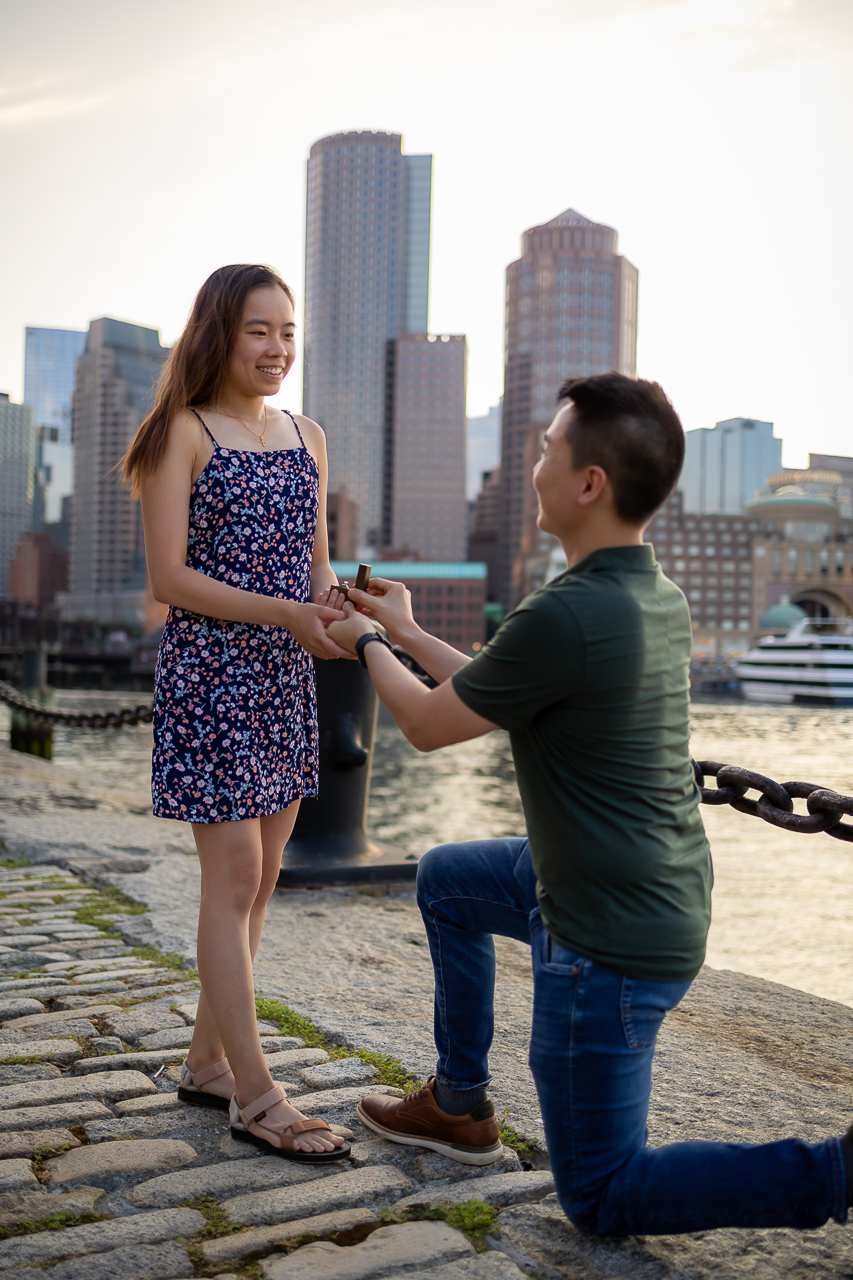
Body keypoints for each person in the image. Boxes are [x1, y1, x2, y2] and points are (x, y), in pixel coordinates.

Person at [318, 372, 851, 1232]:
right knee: (447, 879)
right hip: (650, 890)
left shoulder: (567, 612)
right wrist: (409, 630)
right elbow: (499, 690)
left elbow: (420, 724)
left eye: (544, 451)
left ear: (588, 483)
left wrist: (368, 637)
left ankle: (833, 1173)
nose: (532, 468)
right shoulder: (649, 593)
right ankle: (458, 1104)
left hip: (607, 937)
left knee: (602, 1197)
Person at [122, 264, 351, 1162]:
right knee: (230, 879)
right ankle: (258, 1095)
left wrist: (331, 612)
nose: (277, 349)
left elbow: (316, 561)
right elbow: (169, 579)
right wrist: (288, 614)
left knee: (261, 881)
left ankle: (208, 1062)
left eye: (287, 332)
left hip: (285, 677)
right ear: (219, 333)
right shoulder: (181, 433)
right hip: (211, 678)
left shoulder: (308, 436)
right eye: (259, 331)